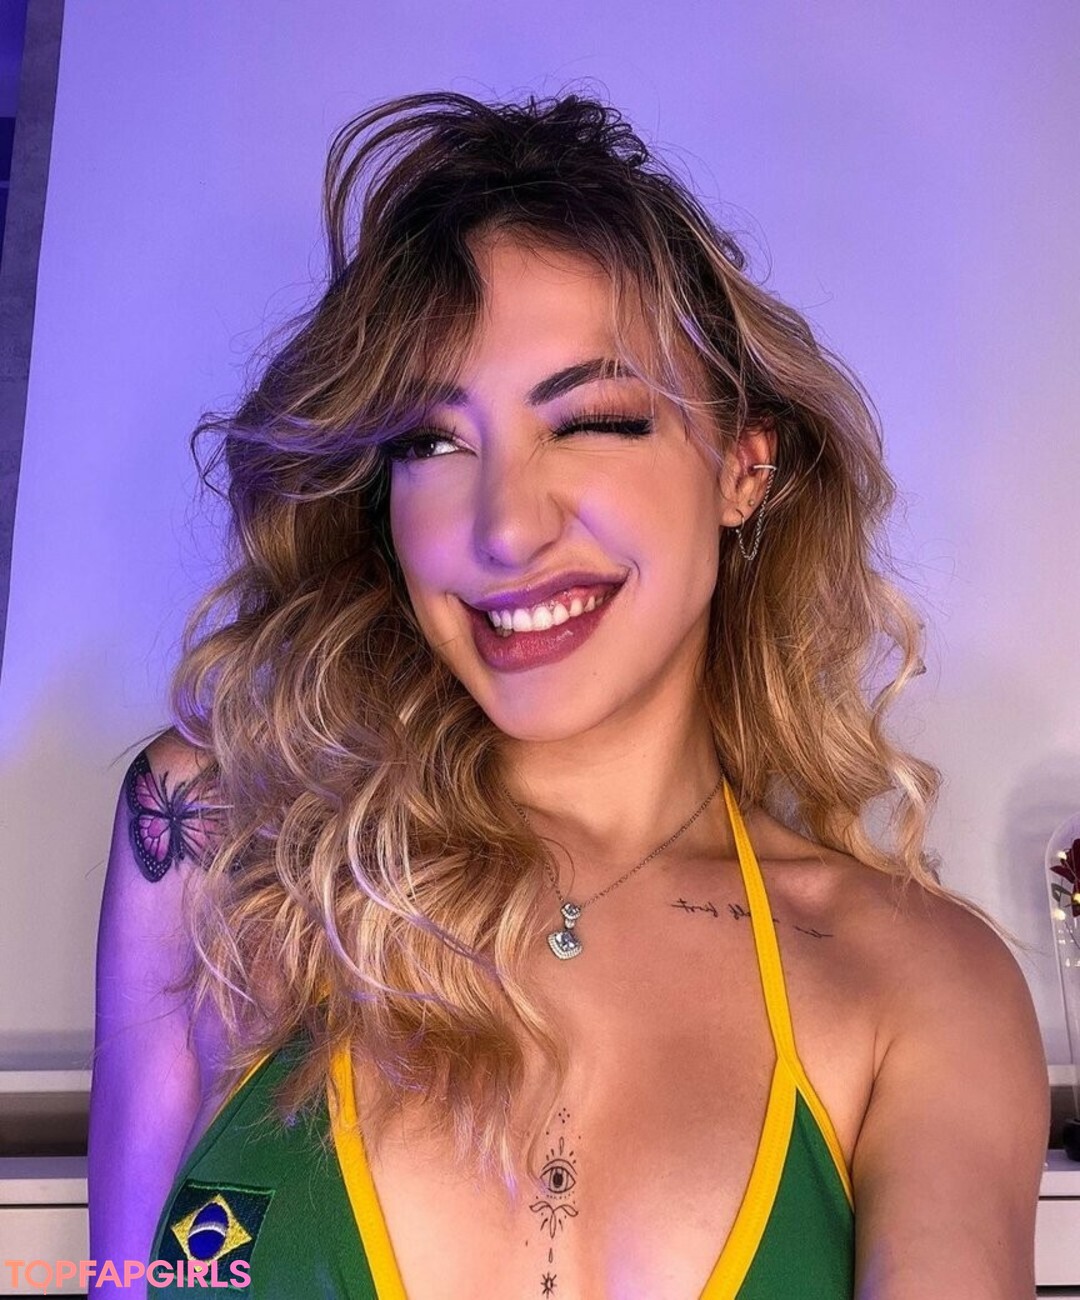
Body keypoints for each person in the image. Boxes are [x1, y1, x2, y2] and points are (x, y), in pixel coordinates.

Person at [88, 90, 1049, 1299]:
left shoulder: (920, 982)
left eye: (591, 421)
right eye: (432, 443)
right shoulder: (221, 844)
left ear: (743, 467)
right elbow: (120, 1278)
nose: (504, 527)